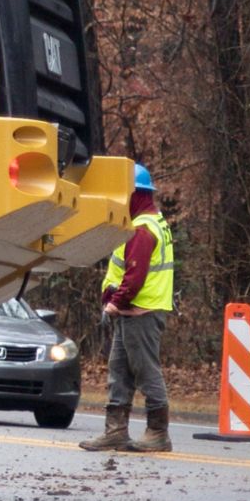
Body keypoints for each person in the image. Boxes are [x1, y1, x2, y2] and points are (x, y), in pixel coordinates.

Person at [81, 163, 175, 454]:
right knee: (119, 371)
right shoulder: (148, 223)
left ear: (135, 195)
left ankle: (158, 432)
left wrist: (114, 303)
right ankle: (116, 431)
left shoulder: (143, 230)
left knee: (146, 371)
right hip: (133, 311)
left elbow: (134, 276)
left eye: (122, 195)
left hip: (141, 311)